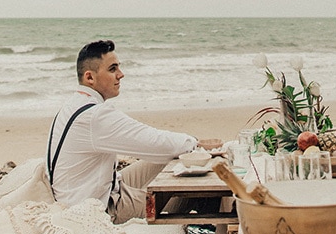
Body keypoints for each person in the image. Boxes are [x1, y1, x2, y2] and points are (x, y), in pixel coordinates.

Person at [47, 38, 217, 223]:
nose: (121, 74)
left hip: (102, 186)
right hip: (98, 208)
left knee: (176, 154)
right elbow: (153, 142)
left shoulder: (75, 103)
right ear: (90, 77)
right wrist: (195, 143)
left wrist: (191, 147)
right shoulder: (95, 115)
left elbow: (158, 145)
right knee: (199, 191)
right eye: (113, 69)